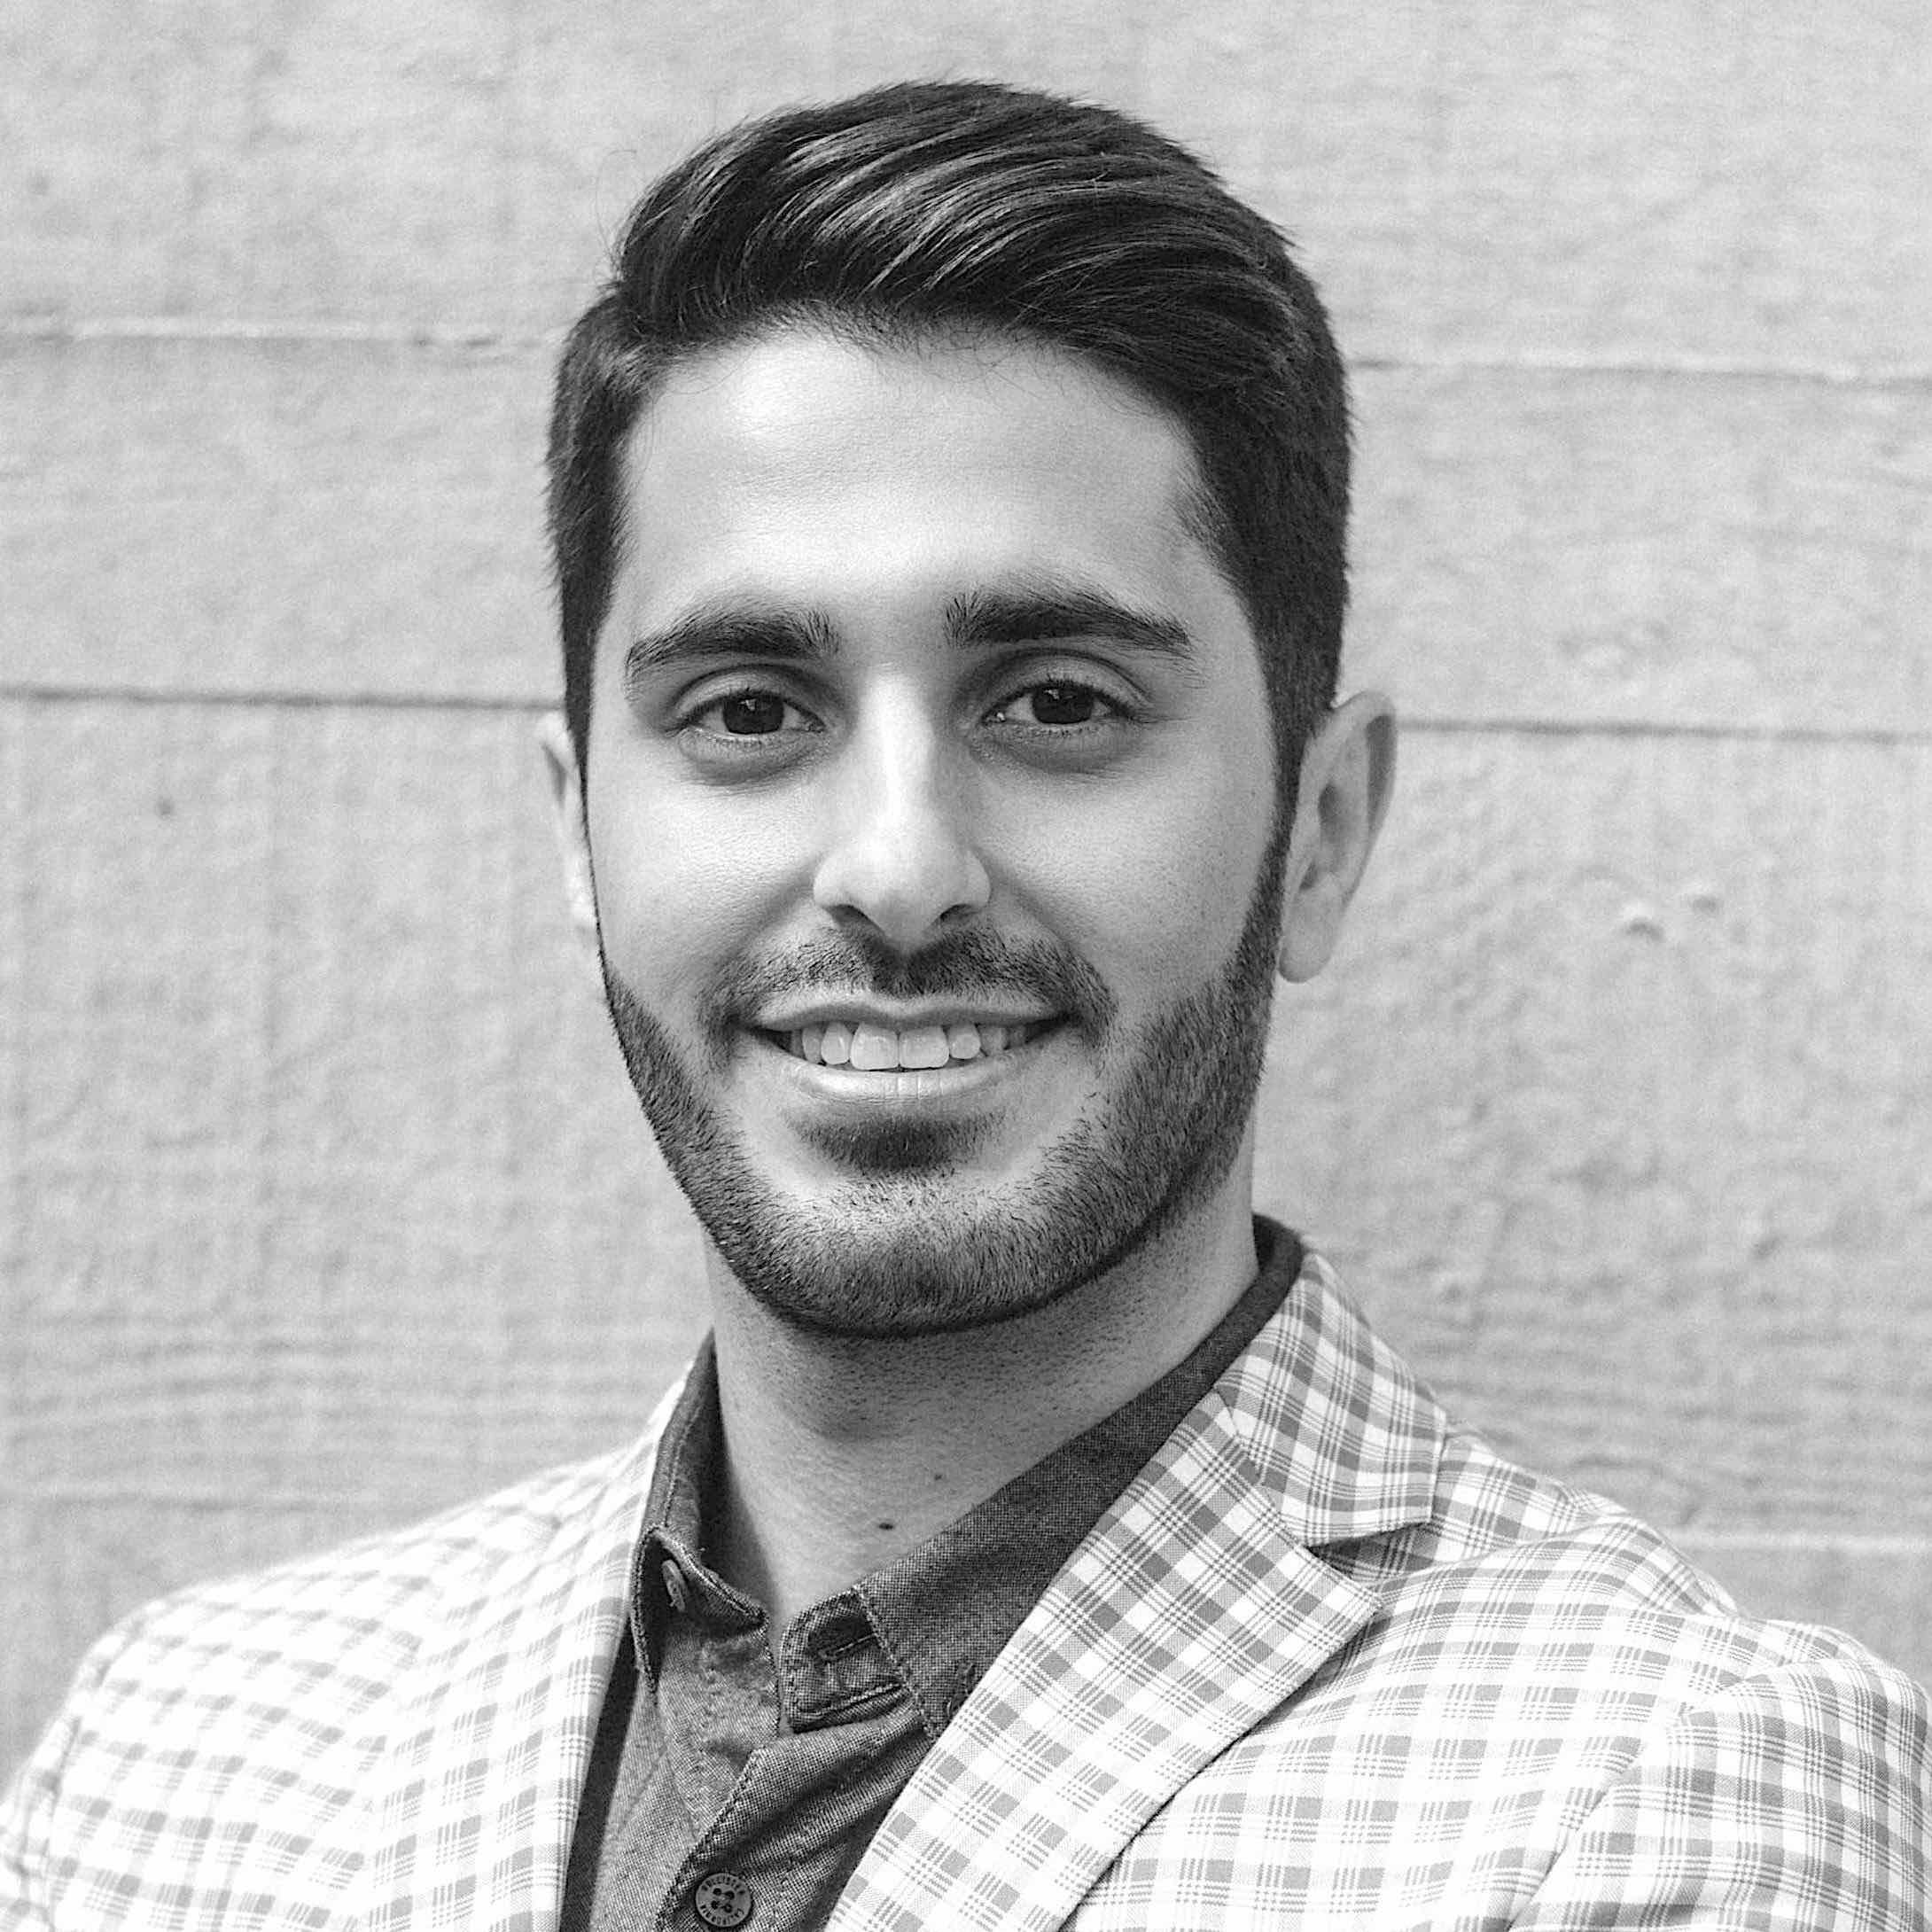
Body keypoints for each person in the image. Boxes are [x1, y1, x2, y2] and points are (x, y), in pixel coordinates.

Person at [4, 78, 1926, 1932]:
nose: (897, 865)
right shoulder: (180, 1761)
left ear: (1322, 832)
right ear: (579, 830)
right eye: (747, 710)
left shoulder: (1658, 1795)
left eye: (1059, 701)